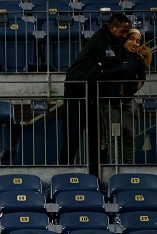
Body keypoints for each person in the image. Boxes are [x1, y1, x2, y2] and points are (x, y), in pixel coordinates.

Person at [61, 13, 132, 176]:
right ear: (112, 28)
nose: (124, 36)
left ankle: (96, 175)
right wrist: (127, 66)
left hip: (94, 94)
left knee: (97, 138)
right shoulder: (100, 40)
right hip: (76, 91)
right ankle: (63, 172)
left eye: (126, 33)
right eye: (121, 32)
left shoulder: (116, 42)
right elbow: (110, 67)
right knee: (72, 136)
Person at [98, 28, 150, 164]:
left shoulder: (138, 59)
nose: (135, 43)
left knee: (129, 137)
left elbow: (142, 78)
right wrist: (126, 69)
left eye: (138, 41)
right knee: (114, 137)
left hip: (127, 101)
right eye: (132, 39)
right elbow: (105, 74)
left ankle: (129, 169)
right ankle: (115, 170)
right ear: (125, 39)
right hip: (110, 102)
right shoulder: (112, 54)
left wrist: (133, 85)